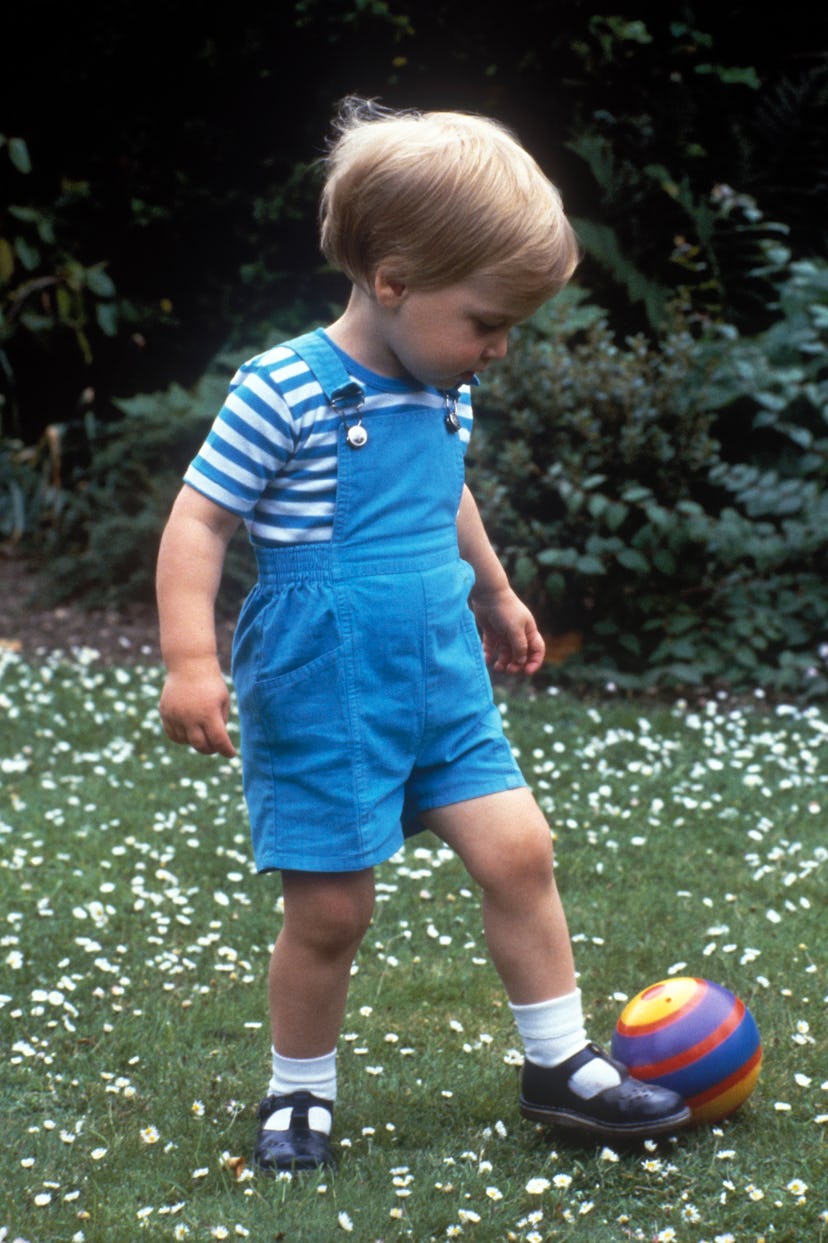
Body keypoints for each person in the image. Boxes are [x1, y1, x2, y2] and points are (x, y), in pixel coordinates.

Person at [156, 96, 690, 1172]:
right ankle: (298, 1092)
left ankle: (558, 1062)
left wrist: (493, 590)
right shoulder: (286, 388)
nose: (497, 349)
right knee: (333, 914)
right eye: (487, 322)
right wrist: (190, 659)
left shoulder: (442, 386)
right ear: (392, 280)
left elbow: (448, 495)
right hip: (320, 682)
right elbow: (200, 516)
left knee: (520, 850)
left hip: (440, 673)